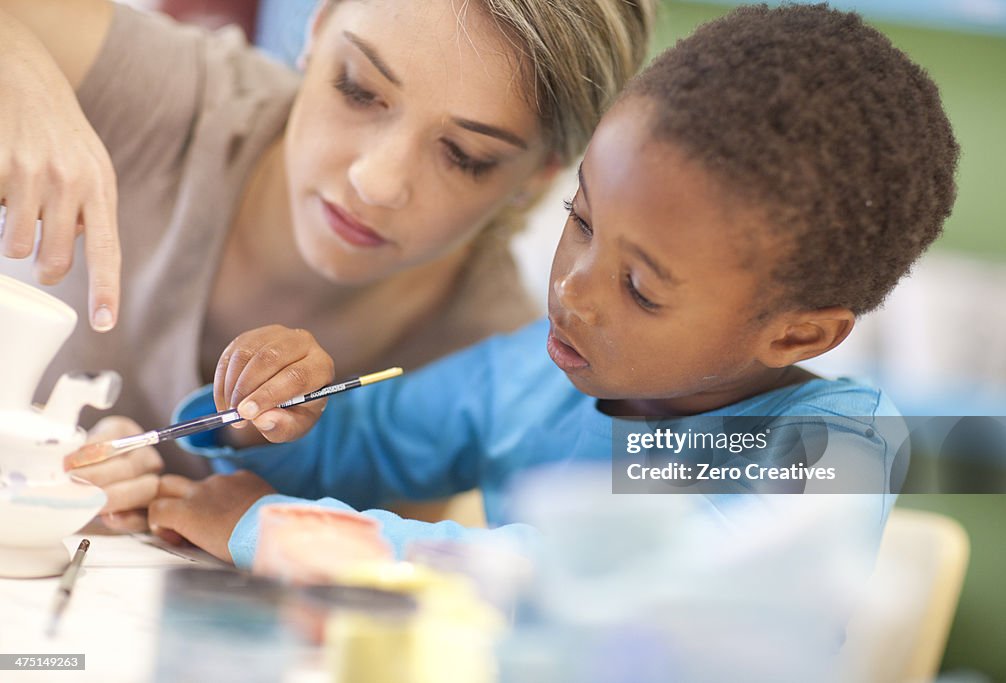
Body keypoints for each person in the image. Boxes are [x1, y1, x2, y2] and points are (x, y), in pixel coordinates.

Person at [138, 2, 959, 564]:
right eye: (582, 220)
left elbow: (574, 581)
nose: (572, 289)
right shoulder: (533, 373)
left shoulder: (833, 447)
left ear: (796, 334)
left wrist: (274, 531)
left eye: (640, 285)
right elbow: (357, 451)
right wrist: (268, 414)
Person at [0, 0, 655, 528]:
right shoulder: (162, 94)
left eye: (463, 155)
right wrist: (19, 67)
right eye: (360, 89)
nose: (377, 181)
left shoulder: (491, 361)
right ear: (315, 27)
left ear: (534, 179)